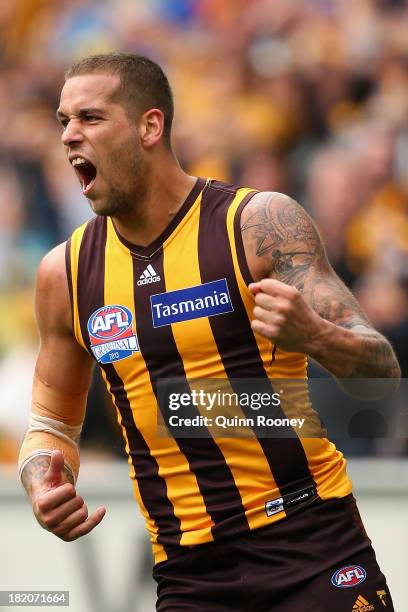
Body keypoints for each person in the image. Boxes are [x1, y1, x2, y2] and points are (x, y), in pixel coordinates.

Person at [19, 52, 400, 612]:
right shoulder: (66, 274)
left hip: (311, 544)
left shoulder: (256, 224)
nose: (70, 136)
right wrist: (41, 478)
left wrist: (315, 337)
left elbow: (381, 370)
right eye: (63, 122)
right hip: (191, 574)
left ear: (150, 126)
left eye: (90, 118)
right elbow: (50, 424)